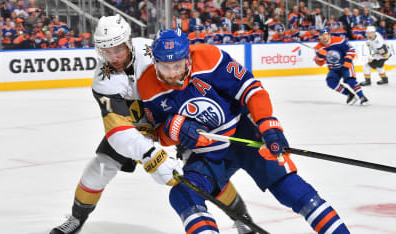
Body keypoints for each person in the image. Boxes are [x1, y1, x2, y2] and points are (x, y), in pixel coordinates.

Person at [50, 15, 255, 234]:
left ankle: (242, 218)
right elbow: (118, 131)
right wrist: (151, 155)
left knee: (200, 170)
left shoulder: (150, 51)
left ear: (128, 42)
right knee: (100, 167)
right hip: (135, 127)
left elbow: (189, 71)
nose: (113, 58)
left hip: (173, 115)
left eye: (118, 50)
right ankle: (76, 218)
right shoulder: (103, 79)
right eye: (106, 52)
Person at [138, 28, 351, 234]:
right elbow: (157, 134)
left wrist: (267, 123)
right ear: (155, 62)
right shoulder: (147, 85)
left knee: (292, 188)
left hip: (244, 134)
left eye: (178, 65)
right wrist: (171, 129)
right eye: (165, 67)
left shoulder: (209, 57)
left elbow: (251, 89)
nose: (173, 73)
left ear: (188, 57)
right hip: (204, 152)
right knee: (183, 194)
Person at [314, 28, 368, 105]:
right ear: (320, 37)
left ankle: (362, 97)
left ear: (329, 35)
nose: (324, 37)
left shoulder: (339, 40)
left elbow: (351, 50)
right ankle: (350, 95)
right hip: (333, 68)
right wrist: (320, 56)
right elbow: (319, 63)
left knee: (350, 80)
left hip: (345, 65)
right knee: (331, 82)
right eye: (322, 35)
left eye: (326, 34)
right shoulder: (318, 48)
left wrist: (348, 61)